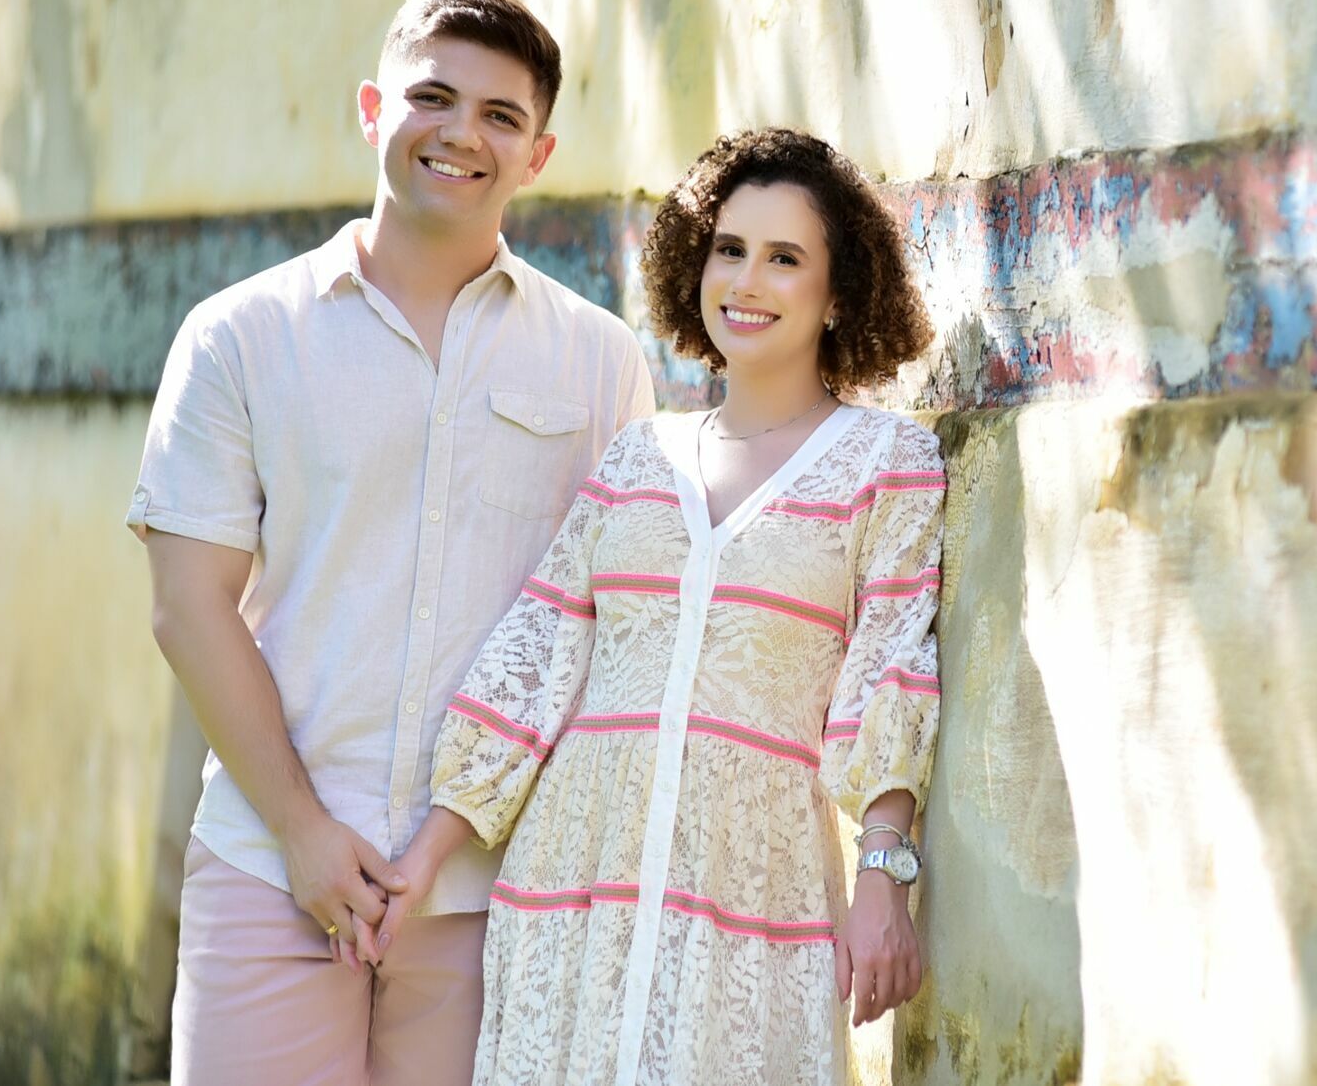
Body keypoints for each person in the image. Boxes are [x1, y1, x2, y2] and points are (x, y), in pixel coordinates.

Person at [129, 0, 655, 1085]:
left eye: (500, 116)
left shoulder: (600, 361)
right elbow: (188, 607)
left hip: (497, 894)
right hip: (271, 866)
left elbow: (607, 626)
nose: (462, 133)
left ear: (538, 154)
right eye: (432, 97)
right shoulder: (239, 337)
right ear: (373, 108)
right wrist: (304, 831)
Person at [397, 127, 943, 1083]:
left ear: (839, 293)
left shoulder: (886, 463)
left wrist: (885, 875)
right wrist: (418, 866)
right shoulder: (636, 457)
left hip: (754, 889)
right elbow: (540, 653)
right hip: (575, 883)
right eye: (729, 249)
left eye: (785, 258)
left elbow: (890, 664)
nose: (747, 281)